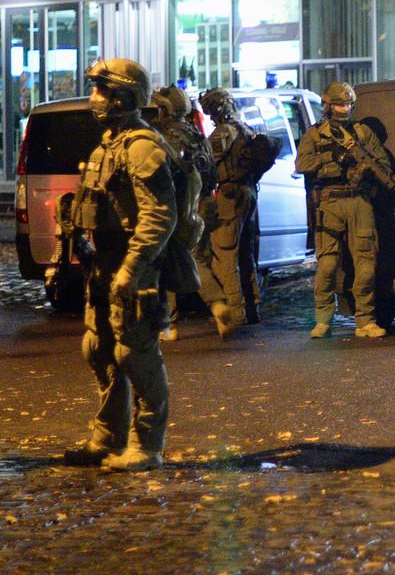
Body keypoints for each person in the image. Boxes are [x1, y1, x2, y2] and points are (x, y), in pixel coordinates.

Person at [64, 58, 176, 471]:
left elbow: (160, 215)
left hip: (136, 265)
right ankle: (107, 438)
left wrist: (133, 268)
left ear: (125, 97)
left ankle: (147, 445)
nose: (94, 98)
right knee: (100, 350)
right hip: (104, 263)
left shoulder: (143, 147)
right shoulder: (108, 145)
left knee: (135, 355)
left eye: (102, 90)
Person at [296, 81, 393, 339]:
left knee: (366, 265)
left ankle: (365, 321)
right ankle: (323, 321)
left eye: (348, 104)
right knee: (327, 265)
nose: (344, 109)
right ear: (328, 106)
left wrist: (367, 171)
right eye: (339, 104)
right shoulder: (315, 134)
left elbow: (383, 164)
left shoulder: (363, 133)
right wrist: (333, 157)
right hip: (329, 202)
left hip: (359, 201)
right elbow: (301, 164)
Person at [150, 85, 216, 341]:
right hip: (201, 204)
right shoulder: (197, 134)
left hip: (177, 207)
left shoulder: (163, 137)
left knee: (166, 260)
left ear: (166, 110)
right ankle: (218, 304)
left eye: (159, 107)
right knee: (197, 258)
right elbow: (211, 173)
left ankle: (169, 325)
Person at [198, 87, 259, 338]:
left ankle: (234, 313)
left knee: (224, 255)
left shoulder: (223, 132)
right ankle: (252, 309)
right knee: (246, 255)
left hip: (230, 195)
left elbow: (206, 162)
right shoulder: (246, 127)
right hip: (249, 193)